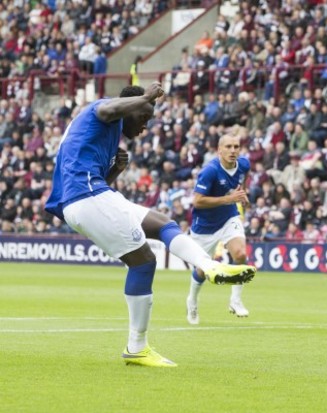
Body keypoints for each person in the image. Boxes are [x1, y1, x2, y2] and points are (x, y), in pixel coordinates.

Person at [45, 82, 256, 368]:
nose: (145, 126)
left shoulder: (106, 135)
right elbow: (109, 108)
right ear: (130, 109)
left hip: (90, 196)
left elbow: (92, 182)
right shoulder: (101, 111)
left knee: (162, 223)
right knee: (143, 261)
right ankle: (137, 347)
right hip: (86, 197)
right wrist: (144, 98)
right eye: (144, 117)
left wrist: (114, 171)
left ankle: (210, 266)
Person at [186, 133, 252, 324]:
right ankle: (192, 300)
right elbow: (197, 202)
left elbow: (242, 179)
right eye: (229, 147)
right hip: (204, 226)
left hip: (228, 218)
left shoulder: (244, 164)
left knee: (240, 254)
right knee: (201, 270)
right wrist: (229, 199)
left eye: (236, 146)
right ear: (219, 150)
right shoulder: (210, 171)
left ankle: (235, 300)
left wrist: (241, 193)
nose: (233, 151)